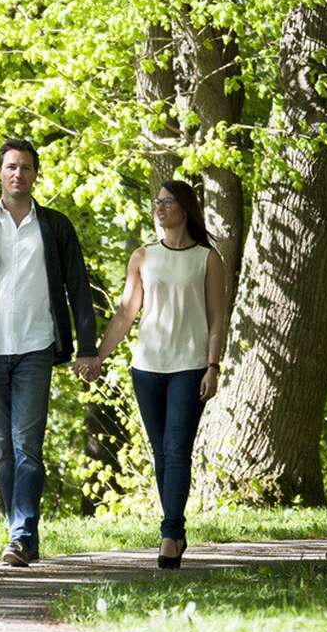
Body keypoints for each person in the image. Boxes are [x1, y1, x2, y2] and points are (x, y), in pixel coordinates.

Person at [0, 139, 100, 567]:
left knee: (27, 445)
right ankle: (22, 535)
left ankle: (21, 534)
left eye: (27, 168)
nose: (19, 174)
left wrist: (87, 348)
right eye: (11, 167)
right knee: (2, 447)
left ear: (36, 175)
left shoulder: (54, 227)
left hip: (37, 347)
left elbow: (78, 289)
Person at [83, 180, 227, 569]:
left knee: (178, 449)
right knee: (162, 452)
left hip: (190, 365)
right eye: (157, 202)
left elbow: (217, 319)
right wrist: (98, 356)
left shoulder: (206, 258)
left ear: (185, 208)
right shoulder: (143, 256)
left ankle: (168, 533)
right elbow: (125, 314)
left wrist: (213, 366)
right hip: (147, 368)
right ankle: (177, 533)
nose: (160, 208)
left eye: (168, 201)